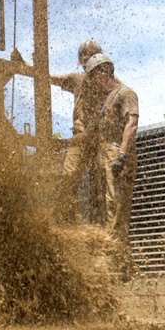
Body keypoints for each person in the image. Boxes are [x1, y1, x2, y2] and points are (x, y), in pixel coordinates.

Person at [86, 53, 138, 247]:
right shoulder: (106, 100)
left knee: (115, 204)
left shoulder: (126, 93)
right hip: (105, 155)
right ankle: (115, 252)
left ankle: (115, 253)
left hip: (117, 155)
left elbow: (131, 124)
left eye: (93, 76)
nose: (92, 81)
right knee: (105, 205)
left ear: (103, 72)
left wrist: (122, 155)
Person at [53, 39, 105, 222]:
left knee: (100, 181)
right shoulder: (78, 80)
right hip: (81, 138)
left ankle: (99, 223)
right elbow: (52, 77)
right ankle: (68, 218)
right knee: (69, 177)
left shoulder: (109, 83)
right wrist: (25, 65)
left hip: (99, 139)